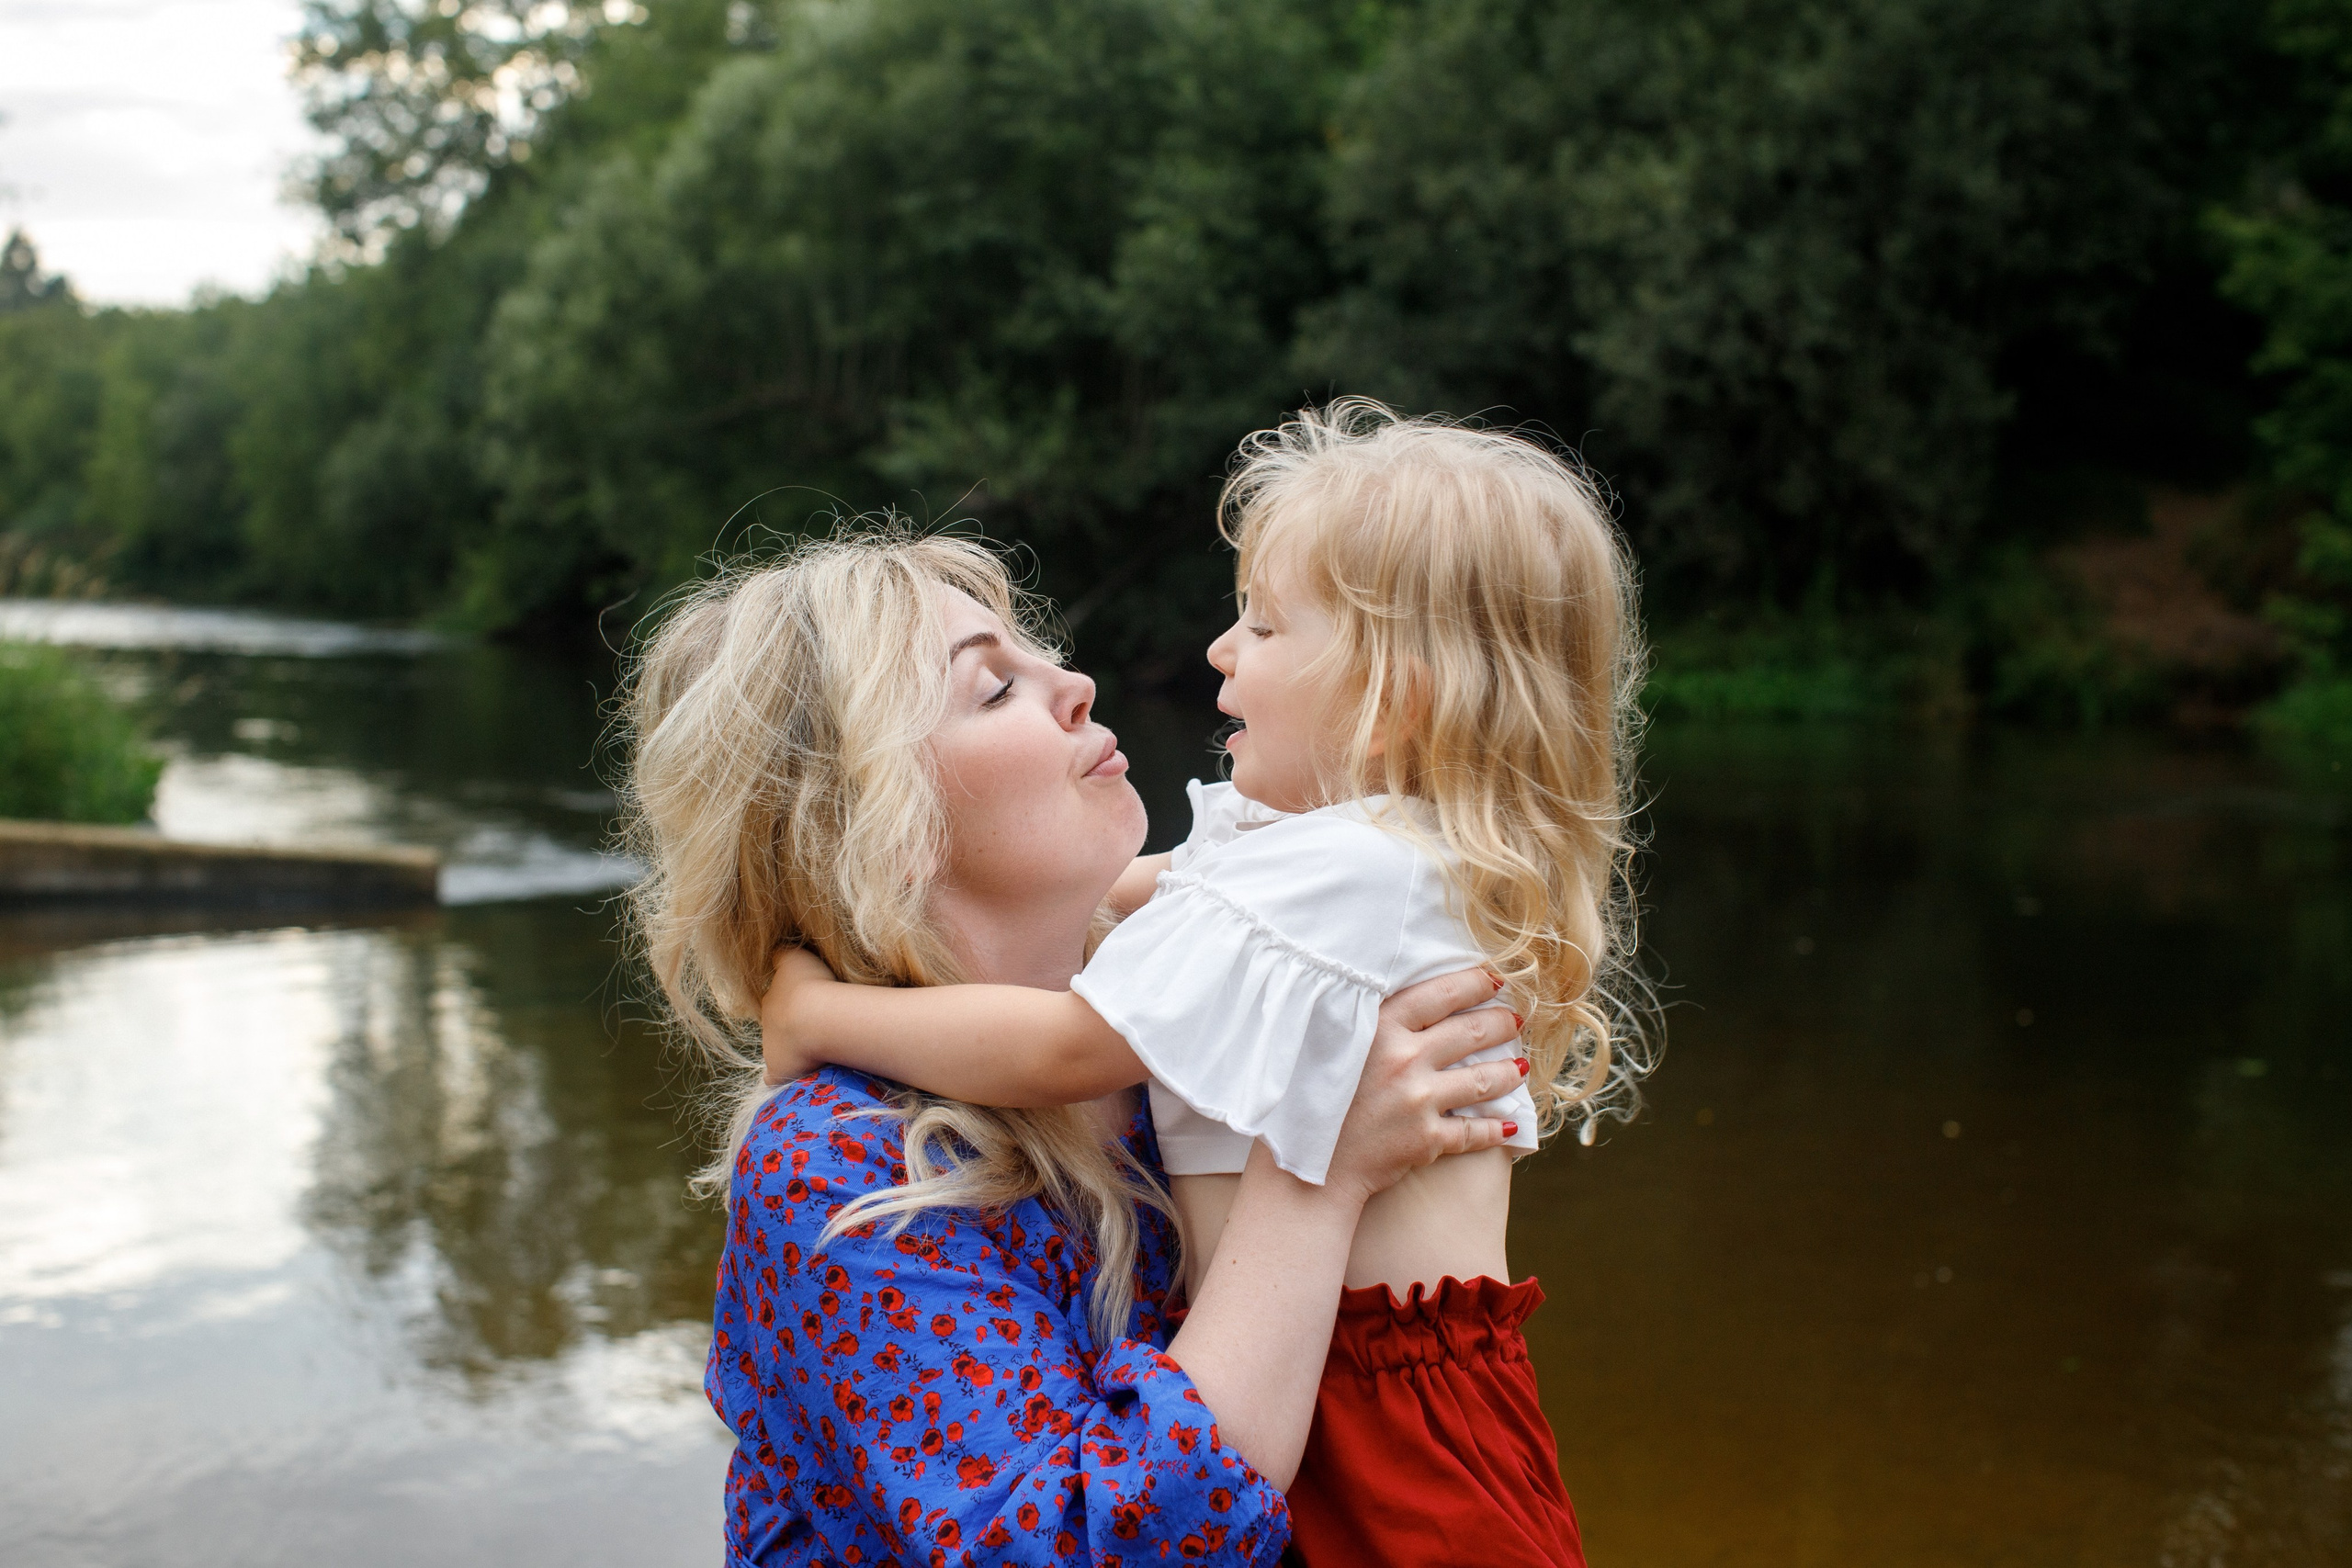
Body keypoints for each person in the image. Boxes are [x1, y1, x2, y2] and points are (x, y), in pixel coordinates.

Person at [763, 400, 1653, 1567]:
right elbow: (1151, 893)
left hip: (1379, 1408)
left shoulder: (1349, 871)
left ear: (1398, 693)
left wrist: (820, 1009)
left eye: (1267, 627)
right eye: (995, 689)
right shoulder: (1333, 859)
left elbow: (1069, 1047)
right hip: (1362, 1384)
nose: (1221, 651)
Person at [617, 530, 1529, 1566]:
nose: (1078, 684)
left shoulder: (1183, 1041)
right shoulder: (836, 1164)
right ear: (882, 824)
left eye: (1036, 654)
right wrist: (1320, 1168)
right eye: (995, 689)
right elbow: (1091, 1549)